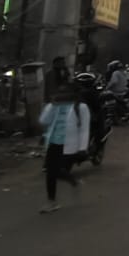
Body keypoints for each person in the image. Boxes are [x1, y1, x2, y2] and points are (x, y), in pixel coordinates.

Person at [38, 82, 90, 214]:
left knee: (58, 170)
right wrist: (51, 106)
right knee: (50, 171)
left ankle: (73, 181)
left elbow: (84, 129)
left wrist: (82, 148)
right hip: (54, 142)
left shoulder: (81, 108)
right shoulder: (55, 106)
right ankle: (52, 202)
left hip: (70, 144)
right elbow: (43, 121)